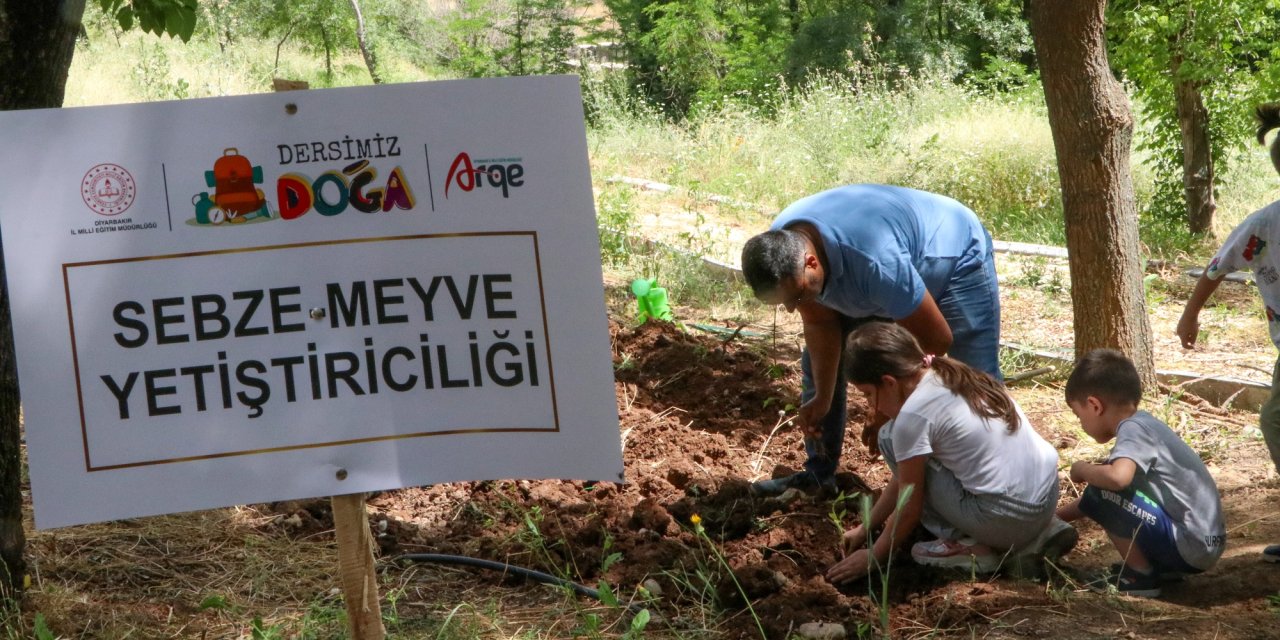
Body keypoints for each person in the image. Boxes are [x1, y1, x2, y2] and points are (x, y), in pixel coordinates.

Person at [741, 184, 1001, 496]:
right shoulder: (783, 251)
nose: (793, 308)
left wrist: (884, 408)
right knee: (818, 362)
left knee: (975, 379)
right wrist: (822, 398)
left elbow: (935, 340)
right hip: (872, 278)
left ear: (812, 263)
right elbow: (821, 324)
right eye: (784, 302)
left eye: (797, 296)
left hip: (952, 254)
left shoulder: (875, 262)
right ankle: (818, 478)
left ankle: (1002, 492)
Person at [825, 323, 1074, 584]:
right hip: (1046, 499)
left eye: (867, 394)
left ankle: (970, 546)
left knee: (889, 437)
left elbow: (910, 502)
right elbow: (904, 476)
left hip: (1007, 518)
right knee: (902, 444)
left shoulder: (913, 417)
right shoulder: (949, 372)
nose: (870, 405)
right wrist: (867, 526)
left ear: (888, 382)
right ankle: (1038, 534)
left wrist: (874, 555)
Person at [1178, 103, 1280, 566]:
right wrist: (1189, 314)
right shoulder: (1264, 225)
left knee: (1275, 421)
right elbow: (1218, 266)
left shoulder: (1266, 221)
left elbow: (1216, 269)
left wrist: (1191, 314)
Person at [1056, 349, 1226, 598]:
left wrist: (1082, 468)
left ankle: (1140, 576)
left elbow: (1114, 482)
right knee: (1105, 488)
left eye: (1077, 414)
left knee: (1104, 485)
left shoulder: (1134, 431)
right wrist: (1054, 519)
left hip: (1191, 546)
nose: (1080, 424)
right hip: (1202, 544)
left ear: (1094, 405)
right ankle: (1157, 567)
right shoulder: (1145, 426)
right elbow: (1105, 498)